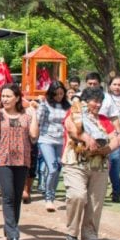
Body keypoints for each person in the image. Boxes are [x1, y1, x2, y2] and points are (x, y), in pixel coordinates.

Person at [63, 87, 120, 240]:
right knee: (77, 195)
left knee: (96, 201)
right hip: (76, 163)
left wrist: (107, 149)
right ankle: (72, 232)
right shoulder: (74, 114)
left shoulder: (104, 120)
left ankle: (89, 234)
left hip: (99, 165)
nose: (98, 104)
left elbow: (116, 139)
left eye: (100, 101)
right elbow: (72, 130)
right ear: (85, 102)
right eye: (94, 101)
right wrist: (87, 139)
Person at [0, 83, 39, 240]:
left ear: (17, 98)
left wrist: (34, 114)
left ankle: (10, 227)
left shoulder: (26, 115)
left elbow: (34, 136)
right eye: (3, 96)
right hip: (2, 159)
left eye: (8, 96)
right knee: (8, 195)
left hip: (22, 160)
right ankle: (14, 233)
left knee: (17, 196)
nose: (5, 99)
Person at [37, 80, 71, 211]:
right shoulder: (45, 104)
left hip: (62, 141)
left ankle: (51, 193)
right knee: (52, 168)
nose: (59, 96)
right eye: (56, 94)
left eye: (61, 94)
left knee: (57, 168)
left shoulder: (68, 105)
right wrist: (41, 106)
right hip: (46, 139)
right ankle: (49, 198)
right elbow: (39, 121)